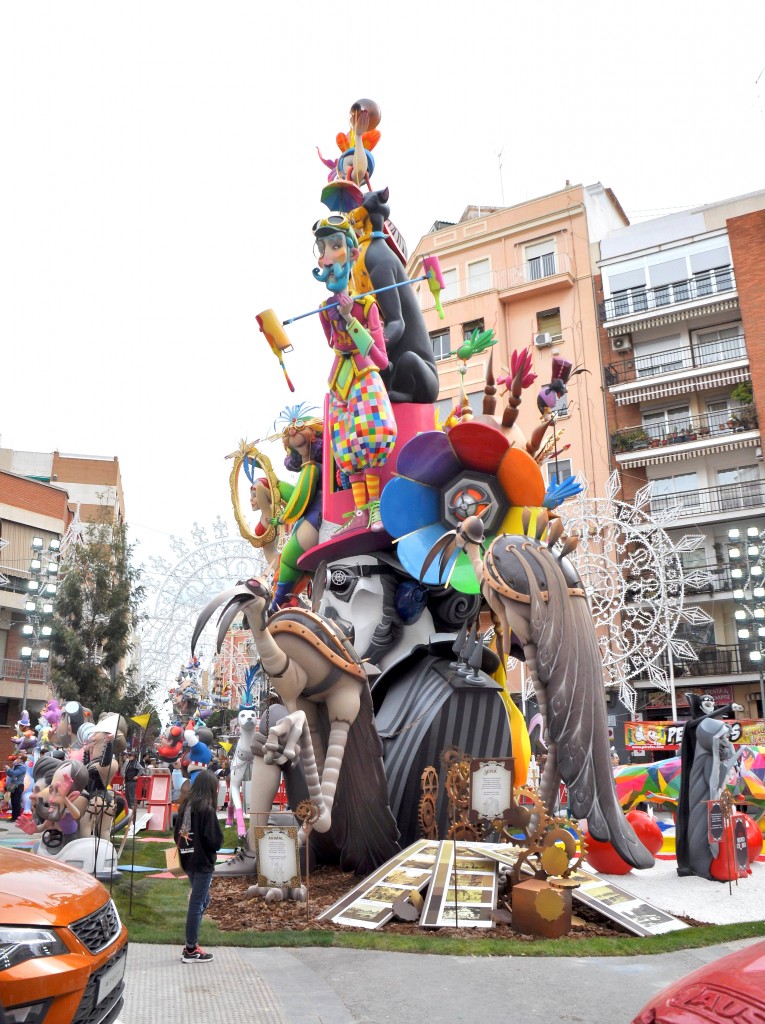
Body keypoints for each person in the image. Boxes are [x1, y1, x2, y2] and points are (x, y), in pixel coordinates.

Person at [314, 214, 397, 533]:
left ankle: (375, 509)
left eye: (335, 246)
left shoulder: (367, 305)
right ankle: (361, 511)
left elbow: (380, 358)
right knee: (348, 449)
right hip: (341, 385)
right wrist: (336, 317)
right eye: (323, 248)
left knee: (370, 440)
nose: (328, 256)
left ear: (351, 254)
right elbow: (335, 345)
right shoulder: (325, 309)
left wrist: (351, 319)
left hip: (364, 379)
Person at [173, 770, 223, 963]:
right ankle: (191, 948)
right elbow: (214, 840)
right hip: (202, 862)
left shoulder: (186, 806)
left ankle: (191, 942)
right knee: (197, 903)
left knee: (203, 899)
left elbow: (176, 833)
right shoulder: (206, 810)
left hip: (187, 859)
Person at [6, 756, 28, 822]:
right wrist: (7, 770)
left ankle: (17, 818)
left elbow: (15, 773)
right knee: (13, 801)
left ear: (22, 760)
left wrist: (9, 769)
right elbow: (11, 775)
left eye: (18, 758)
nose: (16, 759)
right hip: (13, 785)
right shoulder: (16, 766)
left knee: (16, 802)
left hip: (18, 786)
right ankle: (13, 817)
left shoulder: (23, 767)